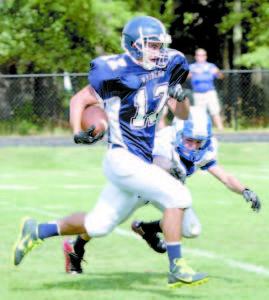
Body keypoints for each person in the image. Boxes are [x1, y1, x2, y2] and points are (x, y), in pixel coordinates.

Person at [12, 16, 209, 289]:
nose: (157, 51)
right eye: (151, 45)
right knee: (179, 195)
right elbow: (79, 99)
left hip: (143, 163)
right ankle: (177, 267)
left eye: (159, 45)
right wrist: (76, 131)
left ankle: (37, 230)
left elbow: (182, 116)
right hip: (122, 158)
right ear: (133, 45)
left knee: (99, 225)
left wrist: (181, 96)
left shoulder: (169, 64)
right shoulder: (115, 70)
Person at [130, 106, 261, 254]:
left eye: (198, 142)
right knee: (103, 223)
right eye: (189, 140)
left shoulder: (206, 149)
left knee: (192, 230)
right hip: (140, 186)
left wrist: (244, 189)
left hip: (168, 191)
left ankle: (146, 229)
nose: (193, 147)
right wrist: (169, 167)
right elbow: (155, 163)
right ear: (178, 134)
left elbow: (225, 177)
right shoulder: (165, 140)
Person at [188, 48, 224, 131]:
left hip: (210, 92)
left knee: (215, 111)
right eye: (199, 55)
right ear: (196, 57)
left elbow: (221, 76)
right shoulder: (192, 67)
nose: (201, 57)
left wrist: (217, 72)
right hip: (198, 93)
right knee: (200, 113)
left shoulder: (211, 66)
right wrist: (193, 72)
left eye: (203, 55)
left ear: (205, 57)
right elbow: (185, 77)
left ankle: (221, 129)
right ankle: (201, 129)